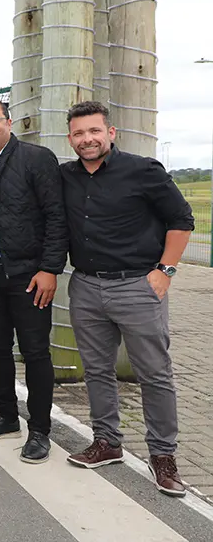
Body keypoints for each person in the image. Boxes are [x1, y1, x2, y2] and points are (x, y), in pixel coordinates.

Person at [60, 101, 194, 497]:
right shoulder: (65, 176)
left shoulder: (143, 171)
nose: (87, 139)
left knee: (154, 373)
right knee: (97, 370)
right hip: (84, 286)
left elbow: (182, 220)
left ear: (110, 133)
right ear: (71, 138)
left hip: (138, 286)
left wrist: (164, 272)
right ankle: (107, 442)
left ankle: (163, 456)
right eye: (79, 134)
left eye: (94, 132)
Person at [0, 98, 67, 464]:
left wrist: (50, 268)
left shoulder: (36, 159)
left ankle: (39, 429)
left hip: (28, 274)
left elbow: (56, 216)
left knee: (35, 352)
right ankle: (6, 415)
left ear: (9, 122)